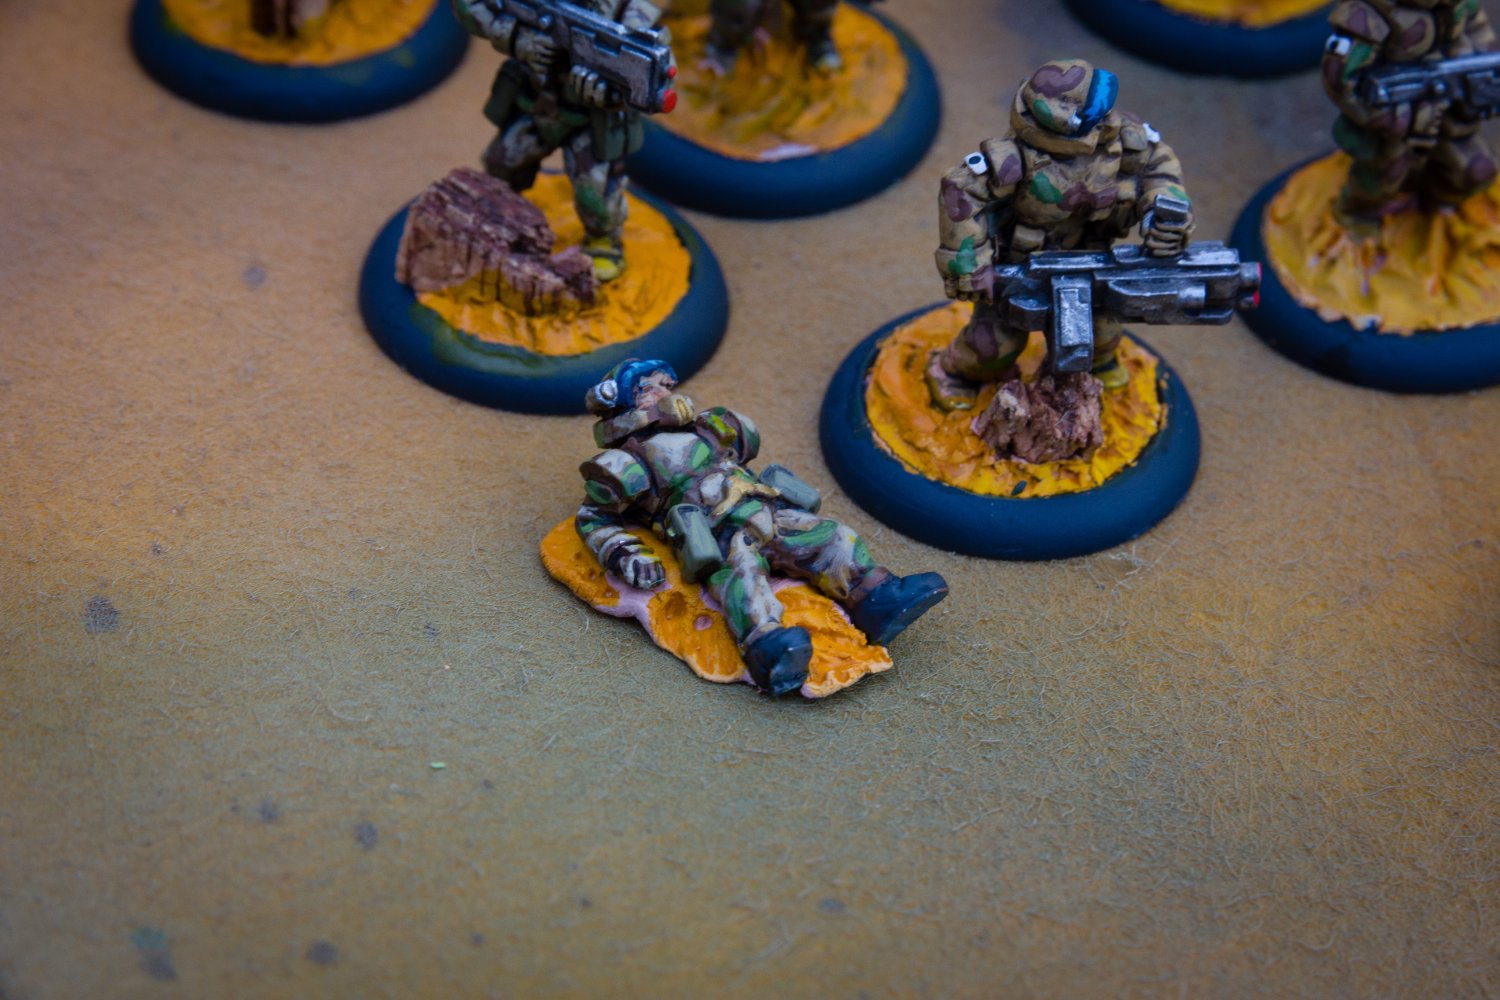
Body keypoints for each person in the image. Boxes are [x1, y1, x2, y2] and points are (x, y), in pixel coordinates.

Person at [574, 359, 949, 695]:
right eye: (650, 388)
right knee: (742, 579)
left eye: (666, 385)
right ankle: (769, 650)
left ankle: (876, 600)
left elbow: (744, 449)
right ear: (626, 404)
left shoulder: (709, 428)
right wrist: (625, 553)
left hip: (768, 507)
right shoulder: (624, 464)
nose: (665, 392)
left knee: (834, 536)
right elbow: (592, 518)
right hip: (717, 532)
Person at [928, 59, 1193, 409]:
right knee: (994, 345)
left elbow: (1159, 165)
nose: (1106, 118)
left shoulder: (1124, 140)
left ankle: (1095, 368)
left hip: (1092, 255)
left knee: (1102, 333)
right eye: (1095, 112)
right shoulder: (1014, 157)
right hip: (1023, 261)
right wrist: (970, 265)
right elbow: (961, 191)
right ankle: (953, 374)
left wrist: (1164, 211)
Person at [451, 0, 675, 281]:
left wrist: (610, 95)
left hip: (590, 122)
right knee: (501, 164)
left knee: (595, 197)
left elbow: (657, 73)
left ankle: (603, 243)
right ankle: (501, 217)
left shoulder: (630, 14)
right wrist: (518, 39)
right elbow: (468, 6)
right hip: (537, 105)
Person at [1321, 0, 1498, 231]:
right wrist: (1389, 119)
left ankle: (1435, 208)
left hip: (1451, 111)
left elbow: (1479, 32)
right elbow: (1340, 80)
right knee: (1382, 181)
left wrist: (1486, 78)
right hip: (1393, 123)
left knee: (1476, 171)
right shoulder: (1368, 13)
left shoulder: (1458, 3)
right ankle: (1354, 220)